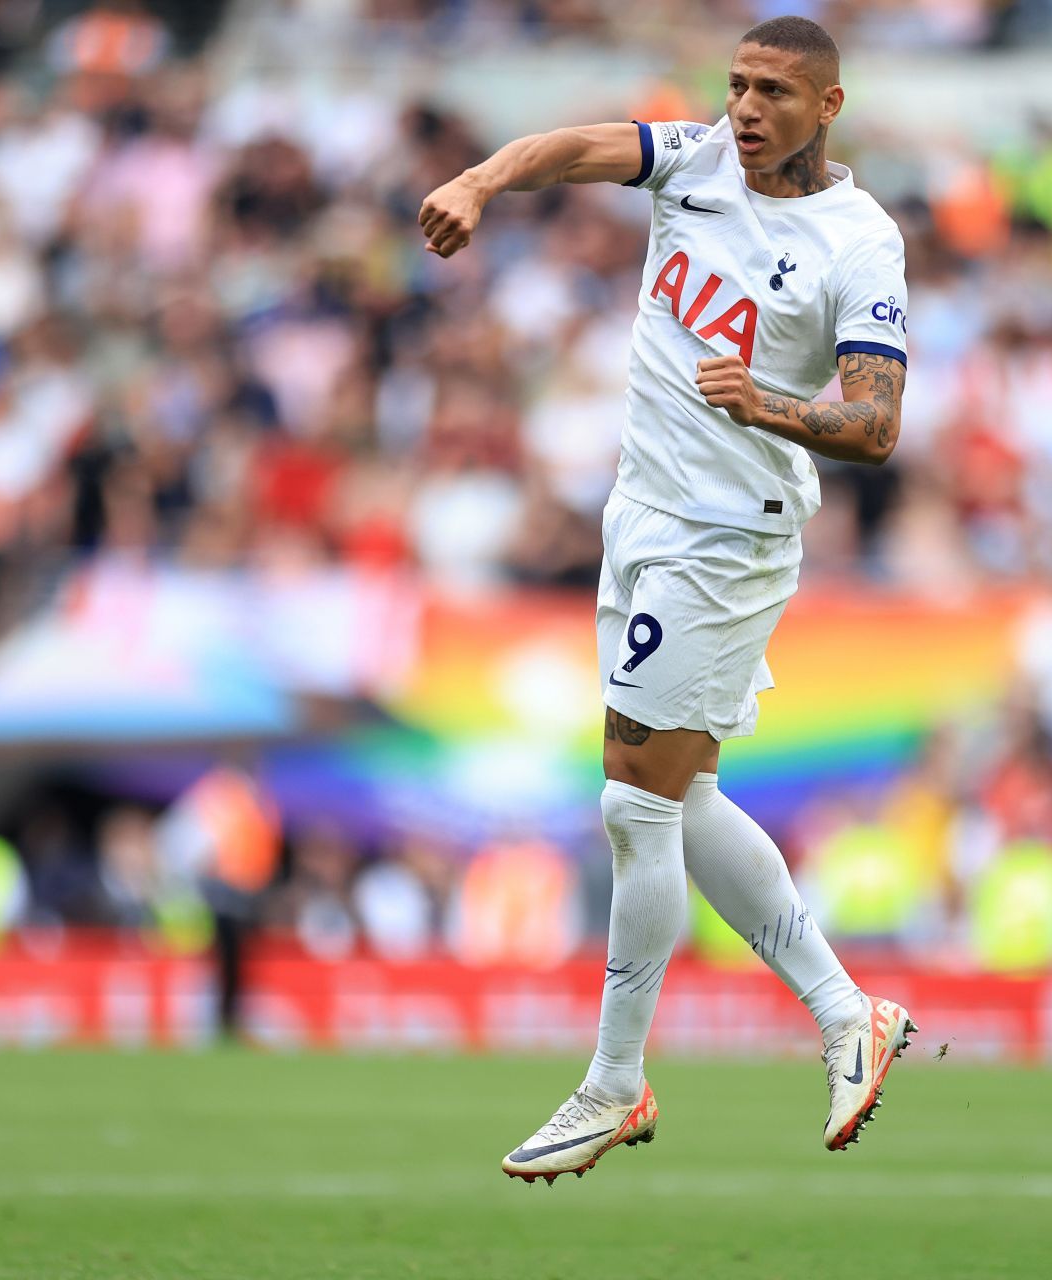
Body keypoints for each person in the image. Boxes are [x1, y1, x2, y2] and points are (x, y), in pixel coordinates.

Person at [419, 15, 917, 1183]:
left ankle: (613, 1080)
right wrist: (482, 179)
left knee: (631, 802)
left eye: (775, 93)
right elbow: (579, 148)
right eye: (738, 85)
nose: (747, 109)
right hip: (638, 518)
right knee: (678, 793)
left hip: (727, 539)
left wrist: (770, 406)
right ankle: (850, 1013)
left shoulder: (859, 239)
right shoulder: (694, 161)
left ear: (828, 109)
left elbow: (877, 422)